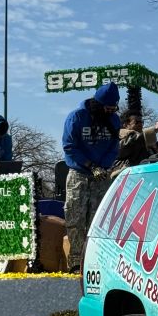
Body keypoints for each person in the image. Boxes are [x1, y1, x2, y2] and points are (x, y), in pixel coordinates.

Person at [62, 81, 121, 272]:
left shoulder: (114, 121)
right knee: (75, 216)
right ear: (98, 105)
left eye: (114, 108)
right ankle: (76, 261)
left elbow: (114, 147)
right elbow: (69, 146)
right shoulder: (77, 117)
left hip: (101, 175)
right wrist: (90, 165)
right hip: (79, 173)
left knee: (98, 220)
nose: (111, 111)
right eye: (108, 108)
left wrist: (103, 167)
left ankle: (94, 260)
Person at [111, 111, 158, 176]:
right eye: (137, 122)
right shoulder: (117, 139)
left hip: (147, 179)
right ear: (125, 124)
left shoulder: (144, 140)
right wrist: (154, 129)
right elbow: (131, 144)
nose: (140, 124)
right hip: (125, 180)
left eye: (142, 122)